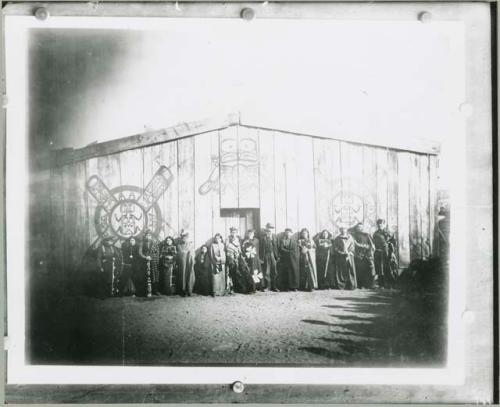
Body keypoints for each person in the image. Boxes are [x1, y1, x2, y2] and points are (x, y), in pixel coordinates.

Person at [373, 219, 398, 288]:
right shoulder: (375, 233)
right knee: (379, 269)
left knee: (388, 267)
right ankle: (381, 284)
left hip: (387, 252)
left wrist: (392, 251)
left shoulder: (388, 232)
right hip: (378, 252)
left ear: (384, 224)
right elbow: (373, 242)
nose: (379, 225)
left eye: (381, 224)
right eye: (378, 224)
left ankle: (390, 284)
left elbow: (394, 242)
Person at [350, 223, 376, 289]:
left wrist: (368, 248)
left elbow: (371, 244)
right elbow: (354, 244)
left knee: (367, 270)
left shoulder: (367, 235)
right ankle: (359, 285)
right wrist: (361, 246)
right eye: (358, 227)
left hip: (366, 255)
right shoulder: (353, 235)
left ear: (363, 228)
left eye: (361, 227)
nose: (359, 228)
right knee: (359, 270)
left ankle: (369, 285)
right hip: (357, 255)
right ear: (356, 228)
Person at [332, 224, 357, 290]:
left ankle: (351, 285)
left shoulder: (350, 237)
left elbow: (353, 246)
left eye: (344, 229)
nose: (343, 230)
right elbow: (335, 247)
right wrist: (341, 252)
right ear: (340, 230)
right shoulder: (337, 238)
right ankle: (341, 285)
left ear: (346, 230)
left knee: (350, 270)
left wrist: (349, 253)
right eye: (342, 229)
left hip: (349, 256)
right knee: (341, 271)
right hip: (340, 256)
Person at [139, 229, 160, 296]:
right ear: (145, 236)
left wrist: (153, 258)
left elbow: (157, 252)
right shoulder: (142, 243)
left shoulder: (154, 243)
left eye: (149, 236)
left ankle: (155, 290)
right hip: (144, 262)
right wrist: (145, 257)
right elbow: (140, 252)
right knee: (144, 276)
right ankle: (145, 291)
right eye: (147, 235)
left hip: (153, 261)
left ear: (151, 236)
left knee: (154, 276)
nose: (148, 237)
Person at [260, 223, 280, 292]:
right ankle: (267, 286)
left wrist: (277, 256)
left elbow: (278, 247)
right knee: (267, 271)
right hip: (266, 255)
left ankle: (274, 286)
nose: (269, 230)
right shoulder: (263, 238)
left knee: (274, 271)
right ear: (266, 229)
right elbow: (261, 249)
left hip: (273, 255)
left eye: (271, 228)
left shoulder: (275, 237)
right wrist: (261, 258)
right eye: (268, 228)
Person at [176, 230, 196, 296]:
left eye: (185, 237)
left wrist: (190, 255)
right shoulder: (179, 246)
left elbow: (193, 253)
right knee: (182, 276)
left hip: (189, 263)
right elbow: (179, 253)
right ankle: (183, 290)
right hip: (182, 264)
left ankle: (189, 289)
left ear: (187, 238)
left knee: (190, 275)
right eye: (183, 237)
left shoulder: (190, 245)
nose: (184, 239)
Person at [225, 227, 242, 294]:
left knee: (236, 271)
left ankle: (236, 287)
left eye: (235, 232)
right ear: (230, 232)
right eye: (232, 232)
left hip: (237, 257)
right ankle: (230, 287)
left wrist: (239, 254)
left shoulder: (238, 239)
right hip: (230, 257)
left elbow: (239, 248)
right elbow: (227, 247)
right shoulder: (228, 239)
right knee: (230, 272)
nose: (233, 233)